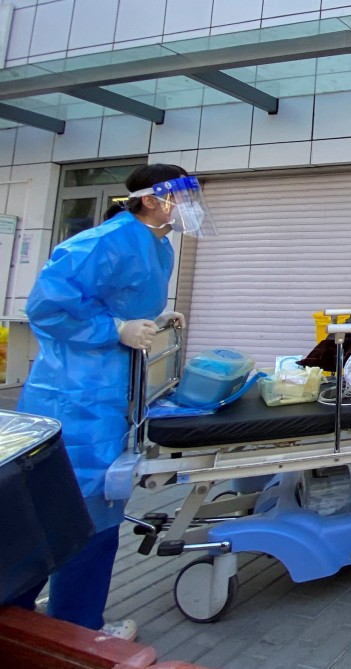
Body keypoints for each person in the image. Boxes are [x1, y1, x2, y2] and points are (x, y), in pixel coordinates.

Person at [13, 164, 216, 639]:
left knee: (84, 505)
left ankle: (48, 616)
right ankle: (68, 627)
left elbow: (120, 302)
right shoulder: (100, 241)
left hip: (109, 389)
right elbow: (46, 307)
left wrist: (157, 319)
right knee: (72, 506)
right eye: (181, 197)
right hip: (74, 394)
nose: (188, 208)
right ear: (150, 199)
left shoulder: (157, 245)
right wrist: (114, 331)